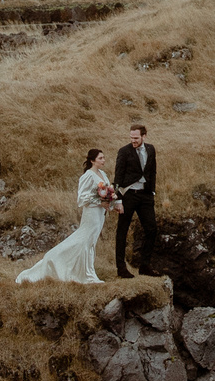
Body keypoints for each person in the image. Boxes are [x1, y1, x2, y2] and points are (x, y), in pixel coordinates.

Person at [16, 148, 115, 286]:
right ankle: (58, 261)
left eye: (103, 158)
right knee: (84, 239)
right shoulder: (88, 175)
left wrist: (110, 202)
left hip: (100, 213)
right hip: (91, 212)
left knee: (91, 241)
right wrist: (100, 201)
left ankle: (87, 270)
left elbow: (107, 192)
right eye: (100, 158)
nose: (103, 160)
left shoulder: (102, 174)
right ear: (92, 161)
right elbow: (82, 198)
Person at [112, 122, 158, 279]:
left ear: (144, 136)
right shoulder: (124, 151)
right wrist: (118, 200)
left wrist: (152, 191)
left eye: (136, 138)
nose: (133, 141)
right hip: (128, 195)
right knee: (122, 231)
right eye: (131, 138)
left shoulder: (151, 149)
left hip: (145, 196)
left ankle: (145, 266)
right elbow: (118, 176)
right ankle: (121, 268)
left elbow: (152, 171)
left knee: (151, 229)